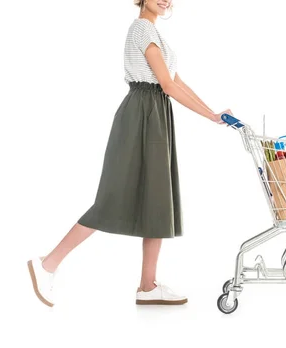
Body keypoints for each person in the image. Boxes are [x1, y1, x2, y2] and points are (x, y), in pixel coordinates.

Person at [26, 0, 232, 307]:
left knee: (157, 198)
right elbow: (166, 84)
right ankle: (47, 265)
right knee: (113, 197)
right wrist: (210, 117)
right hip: (142, 114)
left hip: (156, 115)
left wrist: (213, 113)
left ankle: (147, 286)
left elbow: (176, 81)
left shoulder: (154, 32)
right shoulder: (141, 28)